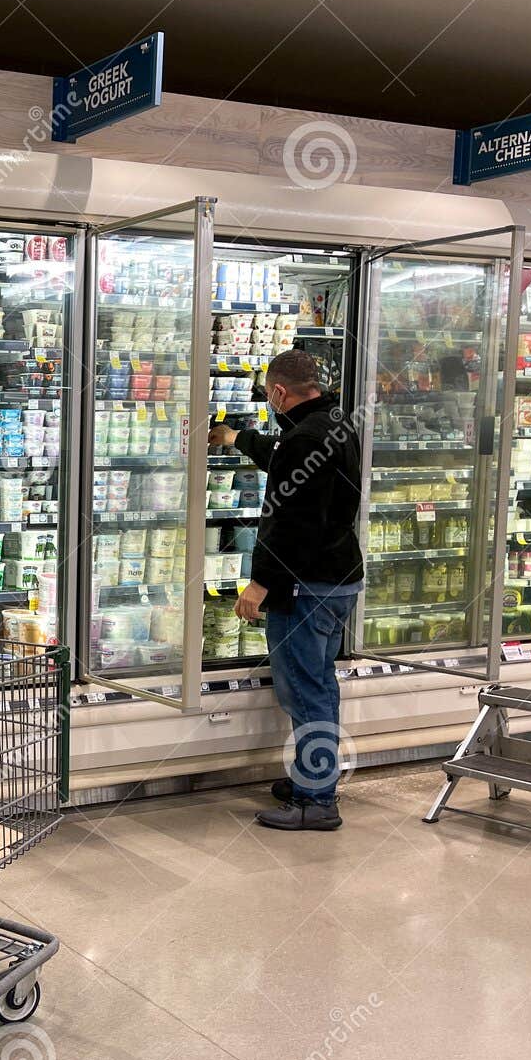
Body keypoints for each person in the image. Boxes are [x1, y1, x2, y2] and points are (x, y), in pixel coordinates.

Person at [207, 348, 362, 831]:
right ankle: (313, 777)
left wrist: (261, 583)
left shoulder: (305, 439)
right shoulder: (334, 421)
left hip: (304, 584)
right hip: (337, 580)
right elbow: (282, 452)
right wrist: (236, 438)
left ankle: (316, 801)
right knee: (318, 683)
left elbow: (295, 525)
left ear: (277, 392)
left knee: (306, 689)